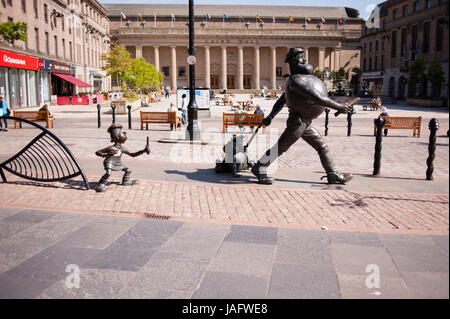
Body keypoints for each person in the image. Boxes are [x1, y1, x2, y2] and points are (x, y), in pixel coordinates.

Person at [251, 47, 353, 185]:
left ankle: (332, 174)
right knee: (280, 148)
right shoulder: (296, 81)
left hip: (304, 123)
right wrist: (339, 106)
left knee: (321, 146)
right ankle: (260, 167)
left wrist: (270, 116)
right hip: (298, 122)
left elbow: (281, 100)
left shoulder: (297, 79)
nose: (304, 59)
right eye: (300, 57)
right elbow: (318, 98)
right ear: (293, 61)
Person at [94, 123, 150, 192]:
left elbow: (132, 154)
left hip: (118, 162)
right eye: (122, 133)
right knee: (108, 173)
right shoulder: (111, 148)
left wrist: (143, 151)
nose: (125, 133)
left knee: (128, 170)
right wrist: (105, 154)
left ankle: (126, 181)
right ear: (117, 137)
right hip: (109, 162)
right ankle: (101, 183)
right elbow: (97, 152)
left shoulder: (122, 148)